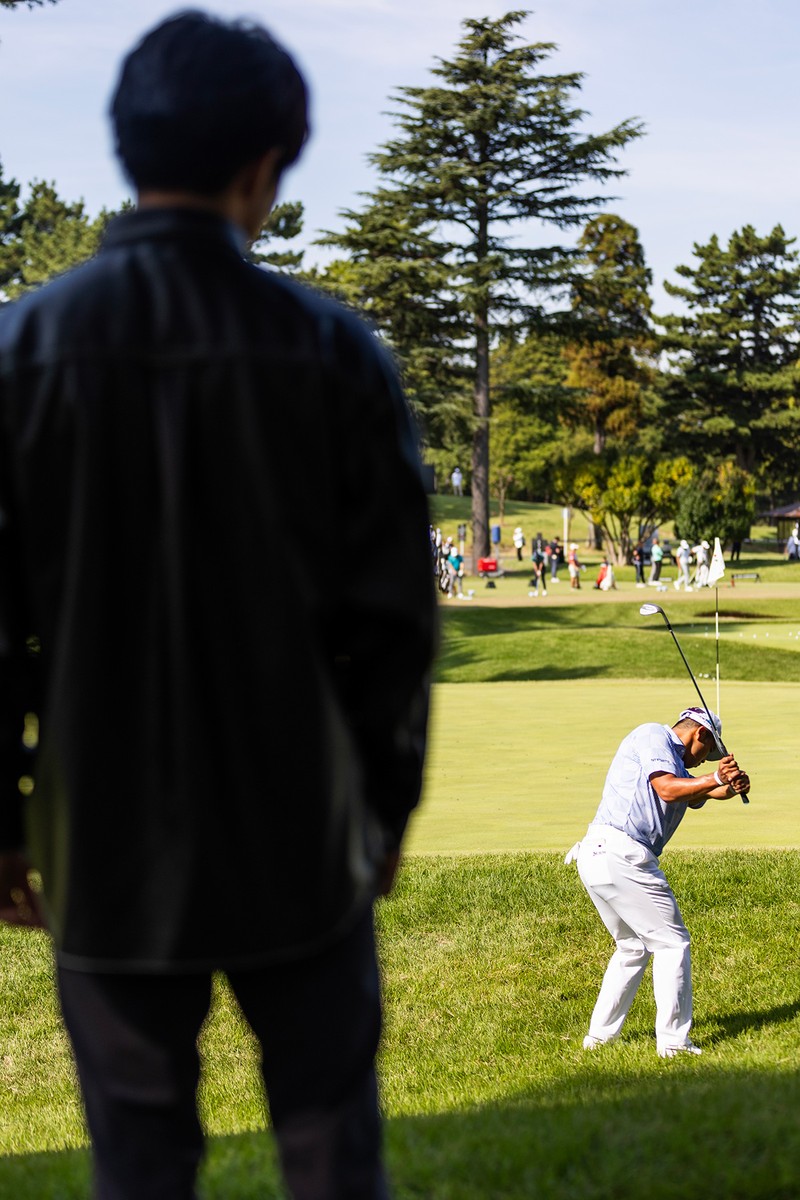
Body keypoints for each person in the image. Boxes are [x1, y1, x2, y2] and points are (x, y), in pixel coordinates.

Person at [0, 12, 437, 1200]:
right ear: (264, 168)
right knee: (332, 1150)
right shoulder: (337, 354)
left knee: (139, 1166)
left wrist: (6, 822)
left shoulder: (20, 352)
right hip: (301, 831)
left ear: (126, 146)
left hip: (103, 843)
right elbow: (395, 624)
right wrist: (383, 808)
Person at [566, 707, 749, 1057]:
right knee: (672, 943)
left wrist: (730, 784)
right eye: (706, 752)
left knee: (633, 948)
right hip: (622, 855)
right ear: (701, 735)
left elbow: (701, 793)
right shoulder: (654, 735)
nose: (702, 761)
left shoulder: (678, 765)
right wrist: (714, 776)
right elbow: (667, 790)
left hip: (600, 855)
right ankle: (673, 1043)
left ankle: (599, 1038)